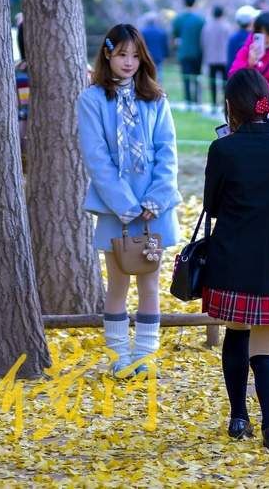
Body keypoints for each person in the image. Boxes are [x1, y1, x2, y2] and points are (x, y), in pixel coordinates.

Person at [203, 67, 269, 451]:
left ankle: (237, 418)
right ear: (267, 104)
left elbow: (211, 205)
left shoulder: (223, 149)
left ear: (231, 106)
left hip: (232, 262)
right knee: (265, 353)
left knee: (236, 336)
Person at [76, 24, 180, 375]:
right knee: (118, 282)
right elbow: (97, 157)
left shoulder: (155, 98)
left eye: (135, 55)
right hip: (114, 207)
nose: (129, 62)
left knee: (150, 282)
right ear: (107, 53)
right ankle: (119, 357)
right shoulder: (91, 99)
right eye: (122, 54)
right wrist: (125, 205)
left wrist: (156, 199)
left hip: (154, 209)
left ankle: (145, 358)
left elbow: (168, 151)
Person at [171, 0, 205, 107]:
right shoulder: (200, 20)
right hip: (197, 53)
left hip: (184, 52)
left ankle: (188, 100)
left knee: (186, 77)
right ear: (194, 3)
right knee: (196, 77)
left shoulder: (178, 19)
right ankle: (196, 100)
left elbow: (175, 36)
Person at [201, 5, 232, 111]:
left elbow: (203, 42)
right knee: (225, 83)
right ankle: (225, 104)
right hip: (224, 59)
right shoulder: (226, 26)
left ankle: (213, 103)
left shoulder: (207, 27)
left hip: (211, 58)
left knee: (212, 82)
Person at [140, 14, 170, 78]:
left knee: (147, 73)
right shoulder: (161, 32)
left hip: (147, 56)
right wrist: (166, 55)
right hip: (158, 56)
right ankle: (158, 86)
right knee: (158, 73)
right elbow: (165, 45)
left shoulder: (143, 32)